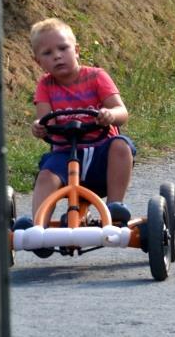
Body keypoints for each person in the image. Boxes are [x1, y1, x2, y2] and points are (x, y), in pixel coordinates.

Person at [13, 18, 136, 254]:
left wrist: (110, 114)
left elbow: (122, 112)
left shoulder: (96, 76)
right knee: (46, 174)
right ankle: (40, 226)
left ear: (76, 50)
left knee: (121, 145)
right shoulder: (45, 85)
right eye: (47, 53)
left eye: (63, 48)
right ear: (38, 62)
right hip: (64, 155)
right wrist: (39, 127)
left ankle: (114, 209)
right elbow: (44, 119)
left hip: (101, 155)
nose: (57, 56)